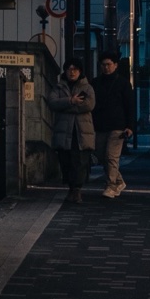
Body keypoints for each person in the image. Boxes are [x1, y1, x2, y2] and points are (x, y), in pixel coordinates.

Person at [45, 58, 95, 204]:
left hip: (81, 132)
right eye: (69, 69)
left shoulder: (87, 88)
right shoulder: (59, 87)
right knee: (65, 161)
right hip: (64, 132)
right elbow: (52, 102)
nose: (72, 72)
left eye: (75, 69)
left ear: (80, 71)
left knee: (79, 162)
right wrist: (71, 101)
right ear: (65, 71)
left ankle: (77, 190)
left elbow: (88, 105)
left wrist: (66, 107)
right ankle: (71, 189)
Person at [91, 49, 135, 198]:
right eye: (103, 65)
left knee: (111, 156)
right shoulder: (95, 83)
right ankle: (119, 181)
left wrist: (130, 126)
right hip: (99, 125)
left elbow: (130, 105)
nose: (106, 67)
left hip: (118, 126)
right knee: (101, 156)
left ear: (115, 65)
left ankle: (110, 186)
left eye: (109, 64)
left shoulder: (123, 84)